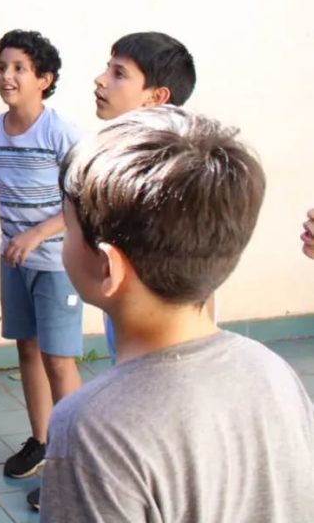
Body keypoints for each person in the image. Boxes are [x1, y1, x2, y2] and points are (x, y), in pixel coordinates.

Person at [41, 107, 314, 522]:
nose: (64, 241)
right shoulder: (271, 370)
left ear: (107, 267)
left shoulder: (90, 428)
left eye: (68, 230)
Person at [0, 29, 81, 512]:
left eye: (18, 69)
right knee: (28, 352)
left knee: (59, 361)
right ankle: (40, 441)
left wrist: (37, 234)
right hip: (16, 264)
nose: (6, 76)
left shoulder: (60, 132)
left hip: (56, 265)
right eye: (1, 66)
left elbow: (82, 199)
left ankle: (73, 466)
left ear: (44, 80)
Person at [92, 31, 197, 362]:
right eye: (107, 69)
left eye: (119, 73)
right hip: (127, 304)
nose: (100, 80)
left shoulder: (176, 161)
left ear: (157, 96)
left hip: (165, 316)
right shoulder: (121, 149)